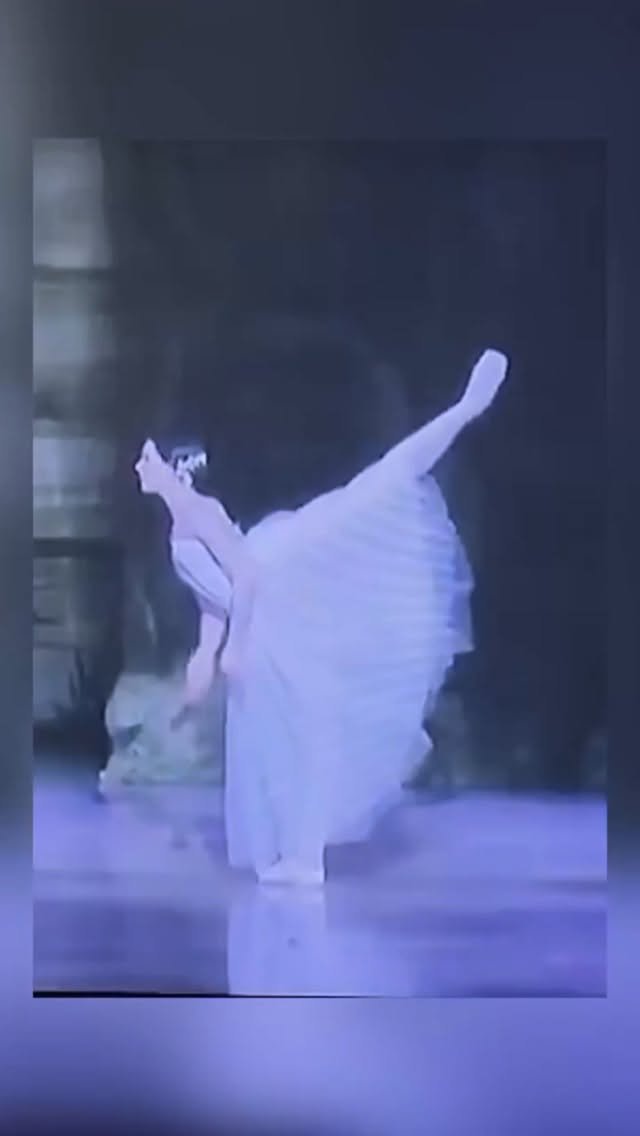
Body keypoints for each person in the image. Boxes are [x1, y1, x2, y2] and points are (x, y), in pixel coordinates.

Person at [133, 348, 508, 885]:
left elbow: (247, 575)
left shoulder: (198, 510)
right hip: (261, 613)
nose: (139, 467)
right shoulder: (182, 523)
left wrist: (235, 646)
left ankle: (466, 408)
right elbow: (213, 598)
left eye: (147, 459)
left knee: (375, 492)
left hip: (276, 577)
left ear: (173, 470)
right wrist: (204, 660)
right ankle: (297, 854)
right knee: (280, 734)